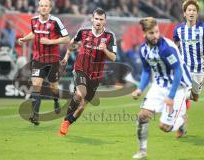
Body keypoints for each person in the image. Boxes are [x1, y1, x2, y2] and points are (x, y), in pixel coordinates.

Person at [131, 17, 192, 159]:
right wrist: (140, 88)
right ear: (144, 34)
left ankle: (182, 121)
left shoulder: (166, 48)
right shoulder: (143, 50)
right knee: (142, 116)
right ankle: (142, 151)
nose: (155, 36)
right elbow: (146, 71)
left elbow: (178, 71)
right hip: (158, 85)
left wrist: (170, 97)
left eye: (157, 32)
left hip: (177, 87)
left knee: (165, 128)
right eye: (152, 33)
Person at [58, 8, 117, 136]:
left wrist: (105, 50)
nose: (98, 22)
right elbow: (72, 44)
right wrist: (66, 58)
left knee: (82, 107)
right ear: (92, 19)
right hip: (81, 69)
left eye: (101, 19)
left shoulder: (109, 36)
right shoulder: (83, 31)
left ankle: (68, 122)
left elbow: (113, 57)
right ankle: (65, 120)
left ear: (105, 21)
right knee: (80, 94)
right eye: (96, 19)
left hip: (96, 76)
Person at [18, 0, 70, 125]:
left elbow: (67, 38)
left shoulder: (55, 21)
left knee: (54, 88)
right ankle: (35, 116)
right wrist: (25, 39)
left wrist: (50, 42)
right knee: (36, 85)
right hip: (38, 59)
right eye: (41, 6)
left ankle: (56, 100)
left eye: (46, 6)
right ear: (38, 7)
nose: (43, 8)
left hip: (52, 61)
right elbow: (34, 33)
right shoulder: (34, 20)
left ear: (50, 8)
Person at [173, 0, 204, 107]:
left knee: (195, 97)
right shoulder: (178, 29)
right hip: (184, 68)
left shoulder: (202, 29)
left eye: (194, 10)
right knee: (179, 94)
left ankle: (185, 98)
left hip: (200, 70)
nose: (191, 12)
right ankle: (178, 103)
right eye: (189, 10)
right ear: (184, 13)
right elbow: (175, 45)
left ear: (197, 13)